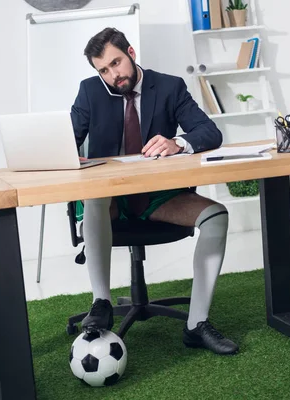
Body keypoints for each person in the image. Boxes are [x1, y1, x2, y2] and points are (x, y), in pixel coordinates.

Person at [70, 27, 238, 356]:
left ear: (131, 53)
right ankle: (101, 301)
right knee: (95, 194)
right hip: (107, 199)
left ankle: (197, 324)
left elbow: (209, 132)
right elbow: (67, 140)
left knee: (217, 216)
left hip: (155, 196)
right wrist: (64, 154)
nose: (112, 74)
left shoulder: (169, 87)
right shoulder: (89, 92)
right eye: (103, 69)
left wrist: (178, 143)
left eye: (116, 63)